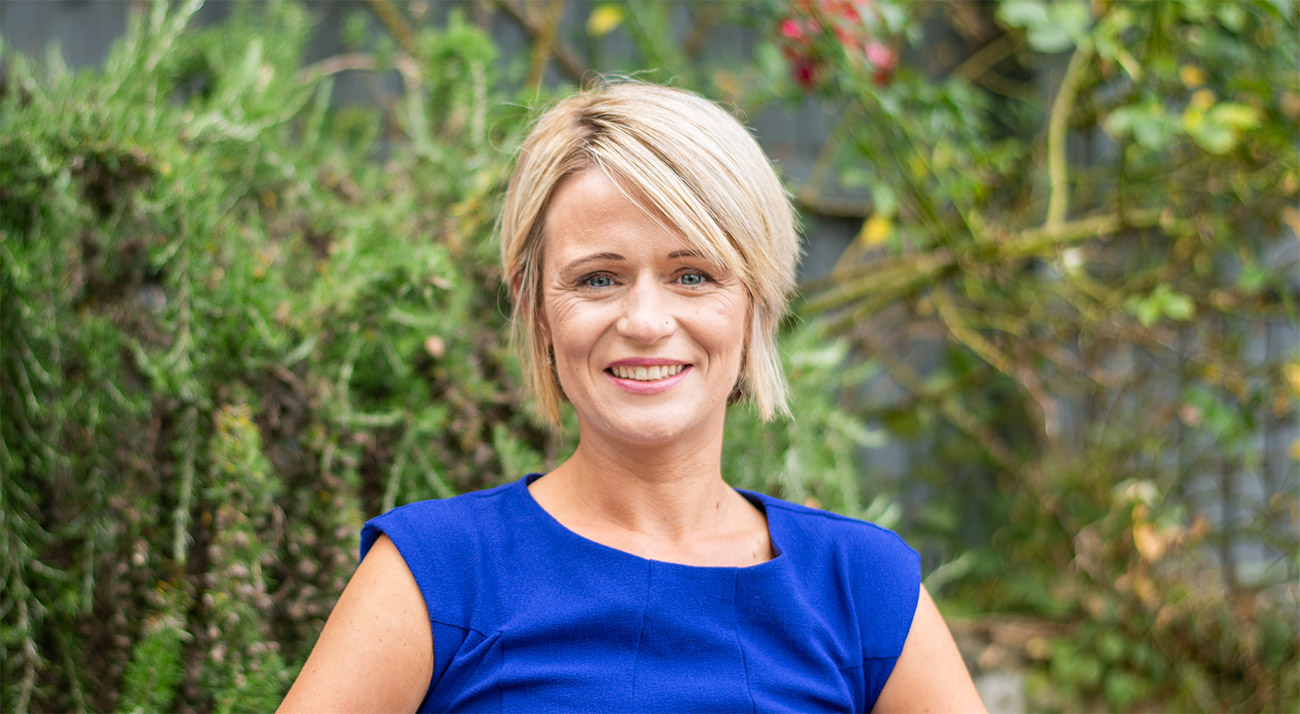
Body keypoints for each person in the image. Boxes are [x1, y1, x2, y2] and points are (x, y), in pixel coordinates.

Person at [279, 81, 985, 713]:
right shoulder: (436, 575)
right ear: (534, 306)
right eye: (597, 279)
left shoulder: (860, 587)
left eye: (693, 275)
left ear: (756, 301)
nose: (645, 322)